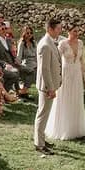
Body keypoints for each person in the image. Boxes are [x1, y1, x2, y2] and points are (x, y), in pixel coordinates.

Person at [45, 26, 85, 141]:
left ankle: (76, 127)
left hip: (77, 74)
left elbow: (82, 60)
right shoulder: (62, 44)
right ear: (68, 32)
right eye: (74, 31)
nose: (77, 33)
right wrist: (56, 76)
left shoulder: (81, 43)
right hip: (65, 74)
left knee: (76, 99)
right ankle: (63, 127)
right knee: (65, 99)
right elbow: (56, 60)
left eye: (78, 31)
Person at [34, 18, 63, 154]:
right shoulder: (45, 45)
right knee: (42, 114)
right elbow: (44, 69)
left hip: (50, 85)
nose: (60, 31)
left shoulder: (50, 42)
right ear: (50, 29)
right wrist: (50, 88)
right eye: (58, 28)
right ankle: (39, 144)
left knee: (45, 114)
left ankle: (41, 139)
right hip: (46, 86)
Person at [15, 26, 38, 95]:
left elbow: (37, 56)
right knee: (33, 72)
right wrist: (17, 65)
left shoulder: (34, 43)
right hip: (26, 63)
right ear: (24, 34)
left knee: (41, 70)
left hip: (35, 63)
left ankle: (24, 89)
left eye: (31, 33)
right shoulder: (22, 43)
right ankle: (24, 90)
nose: (29, 34)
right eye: (27, 33)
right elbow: (19, 56)